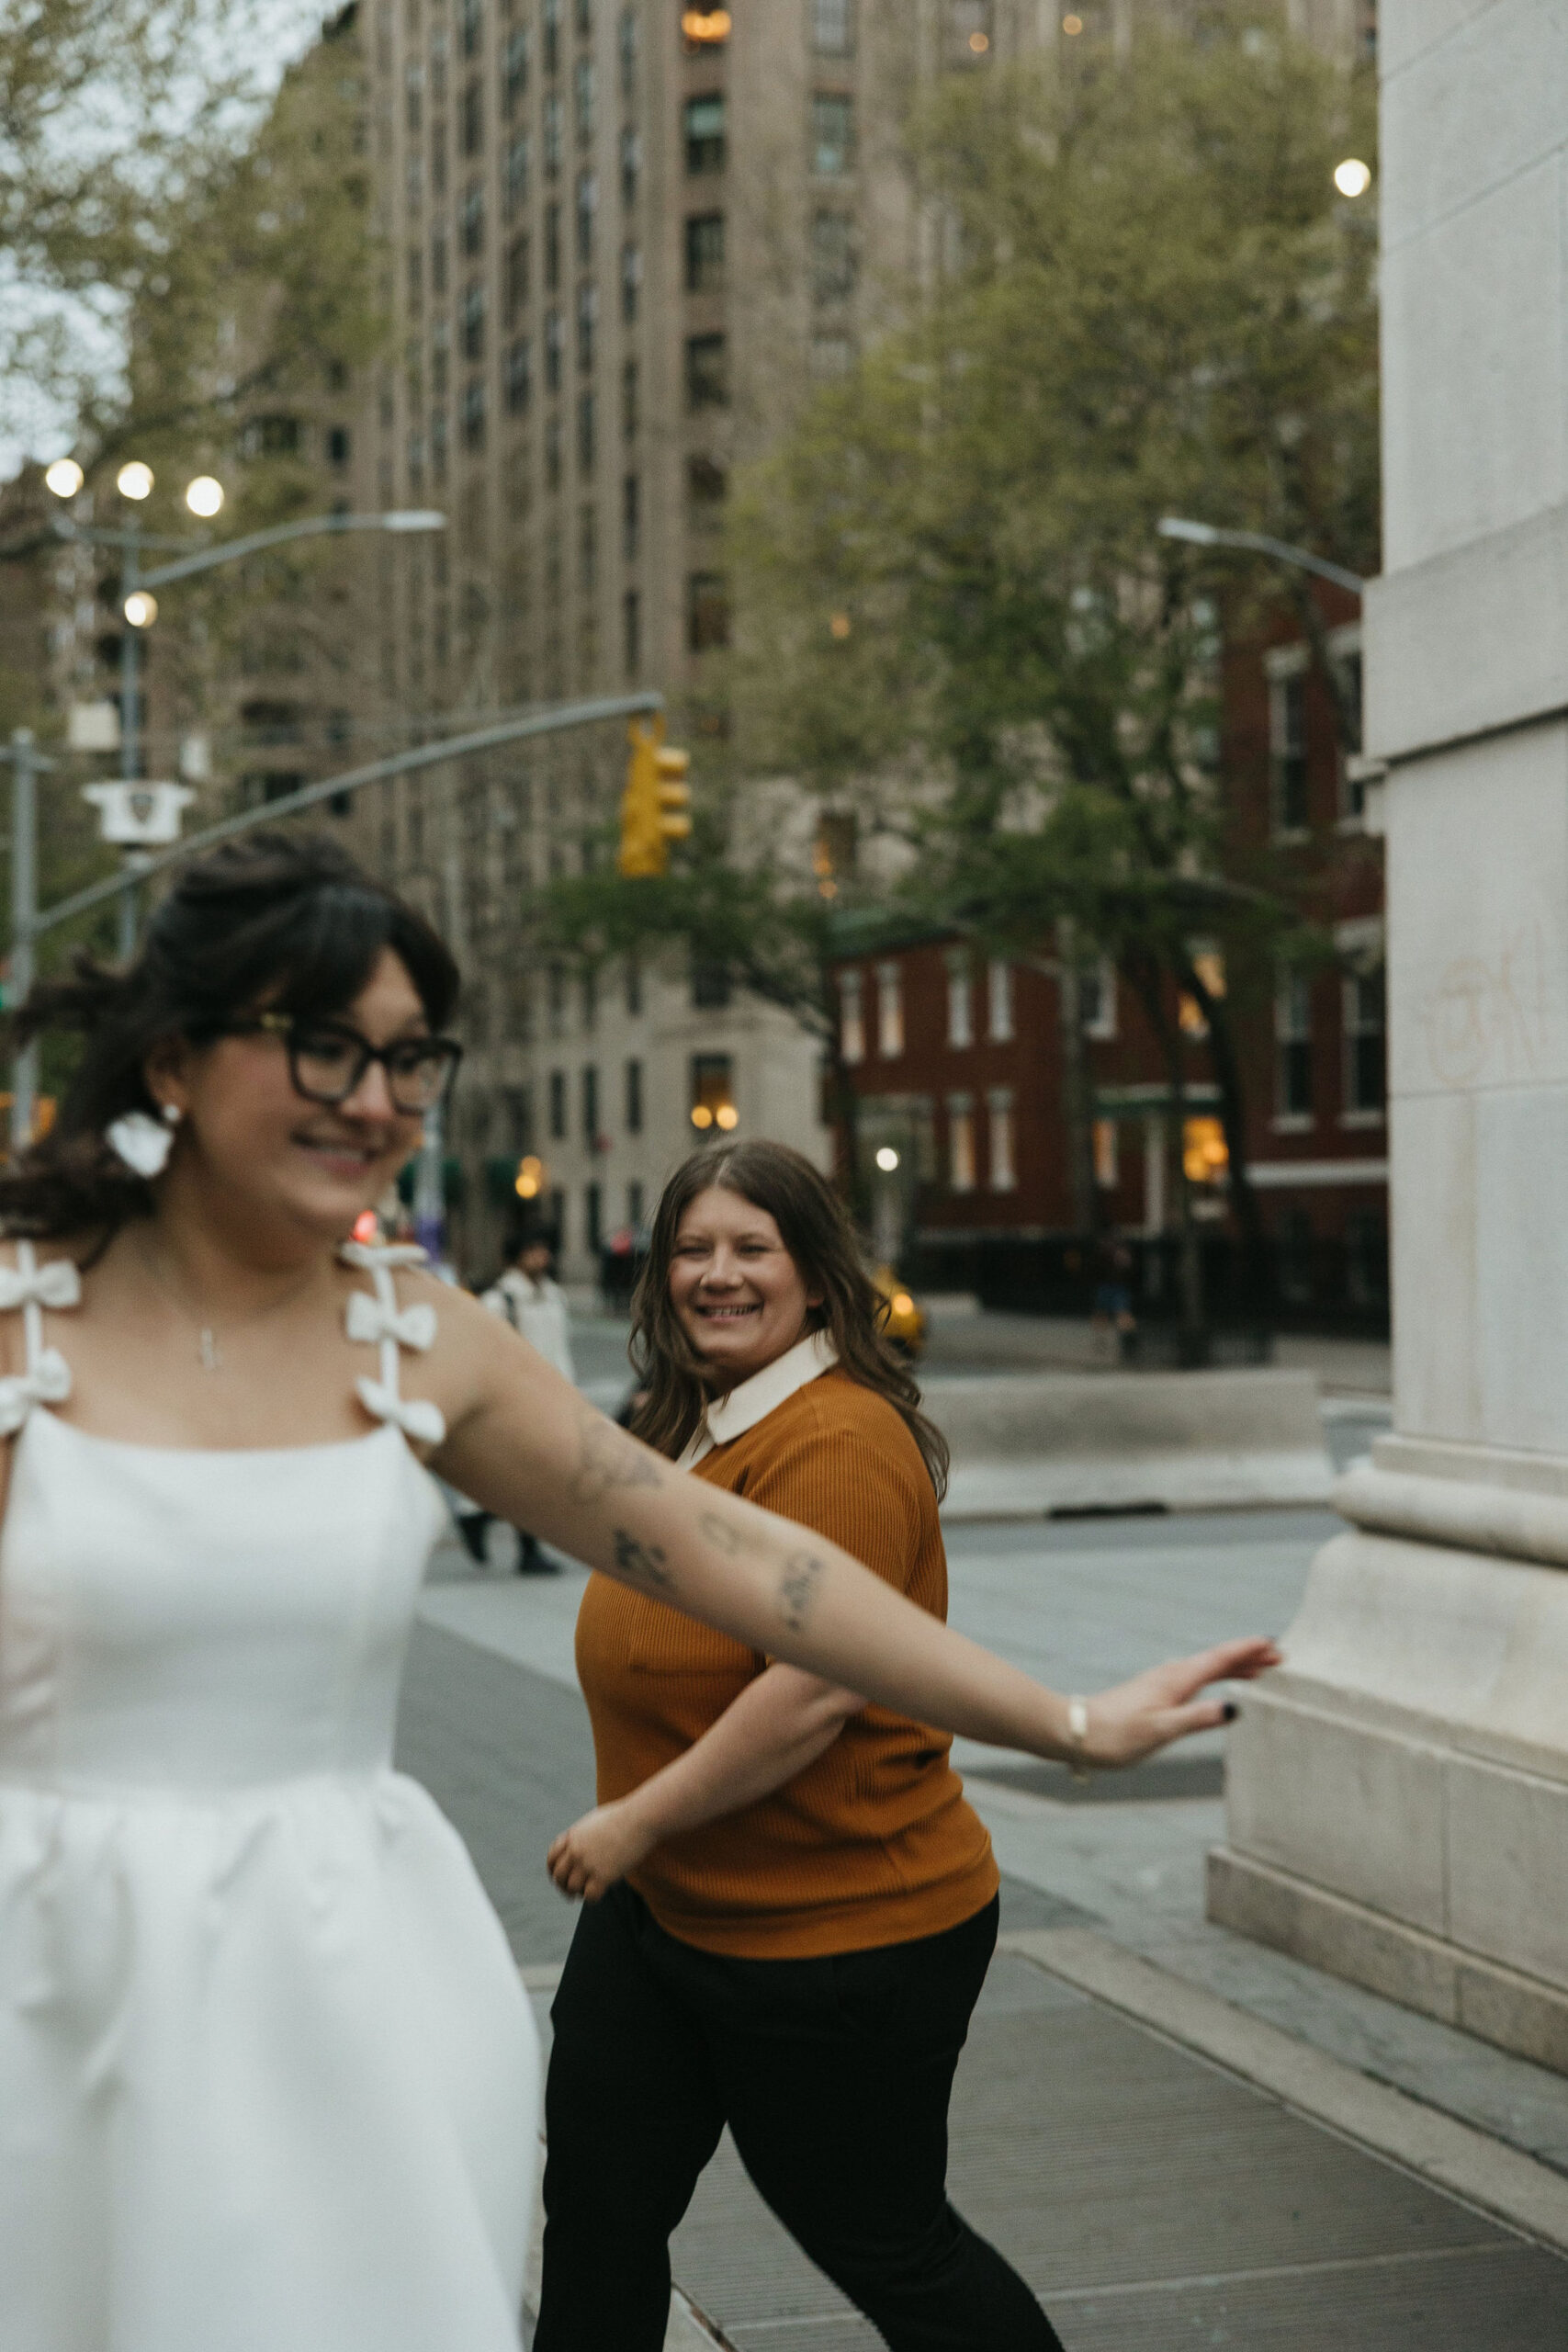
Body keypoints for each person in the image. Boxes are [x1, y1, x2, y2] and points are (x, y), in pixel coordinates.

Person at [0, 835, 1274, 2352]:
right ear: (172, 1059)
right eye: (323, 1043)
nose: (375, 1099)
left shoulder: (421, 1337)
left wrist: (1065, 1715)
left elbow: (765, 1576)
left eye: (412, 1060)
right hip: (50, 1958)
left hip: (344, 1977)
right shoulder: (22, 1323)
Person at [536, 1141, 1275, 2352]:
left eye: (748, 1249)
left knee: (885, 2244)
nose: (714, 1275)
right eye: (690, 1249)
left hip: (833, 1936)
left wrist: (636, 1818)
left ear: (817, 1278)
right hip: (659, 1918)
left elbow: (814, 1690)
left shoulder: (835, 1441)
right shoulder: (695, 1425)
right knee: (599, 2218)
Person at [464, 1231, 573, 1571]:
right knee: (529, 1478)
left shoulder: (555, 1297)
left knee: (533, 1478)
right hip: (515, 1404)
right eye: (531, 1250)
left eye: (543, 1250)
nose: (539, 1257)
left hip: (551, 1399)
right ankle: (526, 1550)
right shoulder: (500, 1301)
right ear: (515, 1257)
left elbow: (559, 1350)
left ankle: (479, 1519)